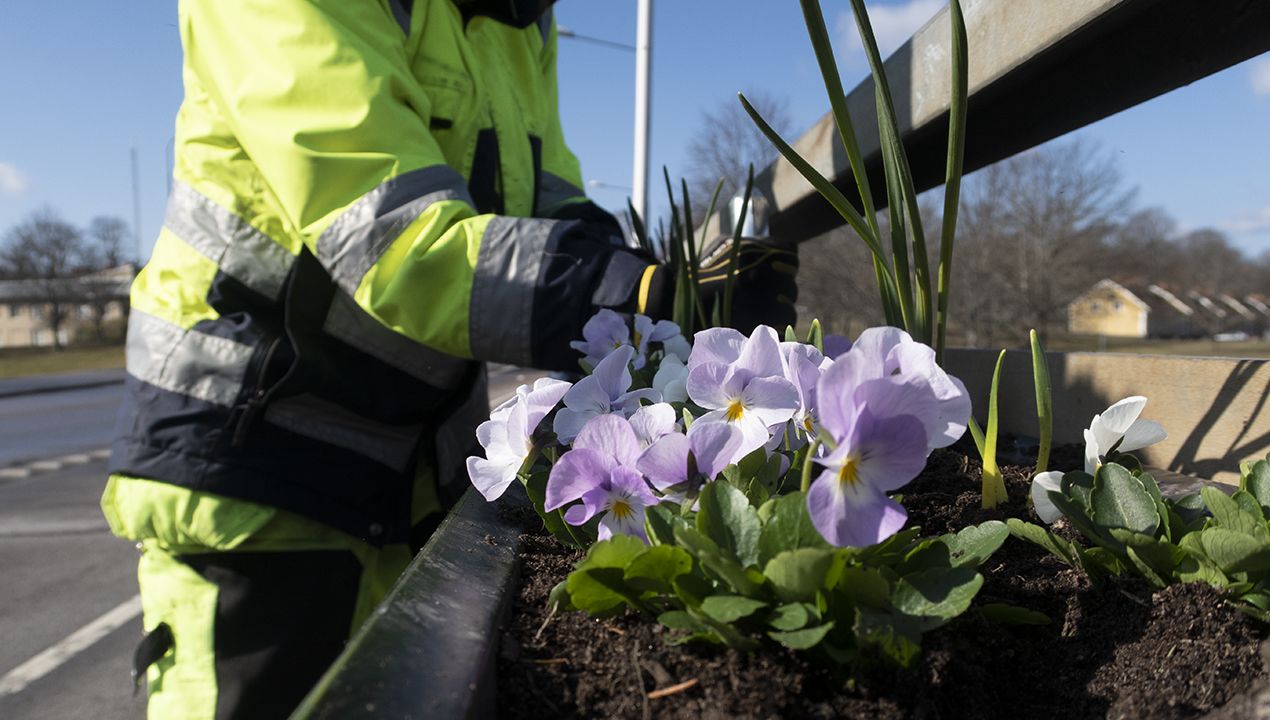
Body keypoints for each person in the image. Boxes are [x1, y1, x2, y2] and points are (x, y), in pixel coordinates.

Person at [101, 0, 797, 717]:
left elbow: (548, 197)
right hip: (258, 456)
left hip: (409, 463)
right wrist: (643, 293)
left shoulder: (517, 14)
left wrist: (652, 292)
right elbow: (394, 241)